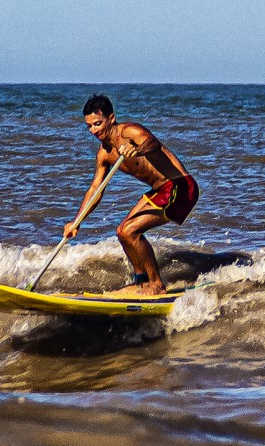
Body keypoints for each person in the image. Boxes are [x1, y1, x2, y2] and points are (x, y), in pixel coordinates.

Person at [63, 94, 200, 296]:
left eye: (98, 123)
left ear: (111, 118)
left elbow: (152, 143)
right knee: (122, 232)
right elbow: (95, 190)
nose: (94, 130)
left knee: (130, 231)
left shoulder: (130, 132)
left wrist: (136, 149)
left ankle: (156, 285)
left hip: (180, 187)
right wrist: (76, 222)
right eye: (90, 126)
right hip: (159, 191)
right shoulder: (104, 153)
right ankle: (142, 281)